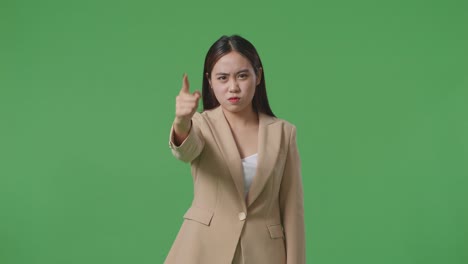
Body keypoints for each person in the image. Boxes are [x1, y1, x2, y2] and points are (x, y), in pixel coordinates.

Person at [165, 35, 305, 264]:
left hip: (264, 254)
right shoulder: (200, 124)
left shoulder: (283, 132)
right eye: (222, 78)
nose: (233, 87)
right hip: (202, 250)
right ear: (210, 81)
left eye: (242, 76)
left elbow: (292, 210)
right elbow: (186, 151)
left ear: (258, 76)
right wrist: (181, 122)